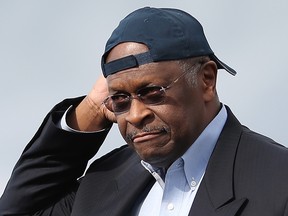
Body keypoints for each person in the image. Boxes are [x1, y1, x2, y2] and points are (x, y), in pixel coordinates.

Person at [0, 6, 288, 216]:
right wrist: (90, 109)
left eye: (152, 93)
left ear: (206, 80)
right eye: (121, 100)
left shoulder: (277, 179)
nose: (136, 115)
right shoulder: (101, 182)